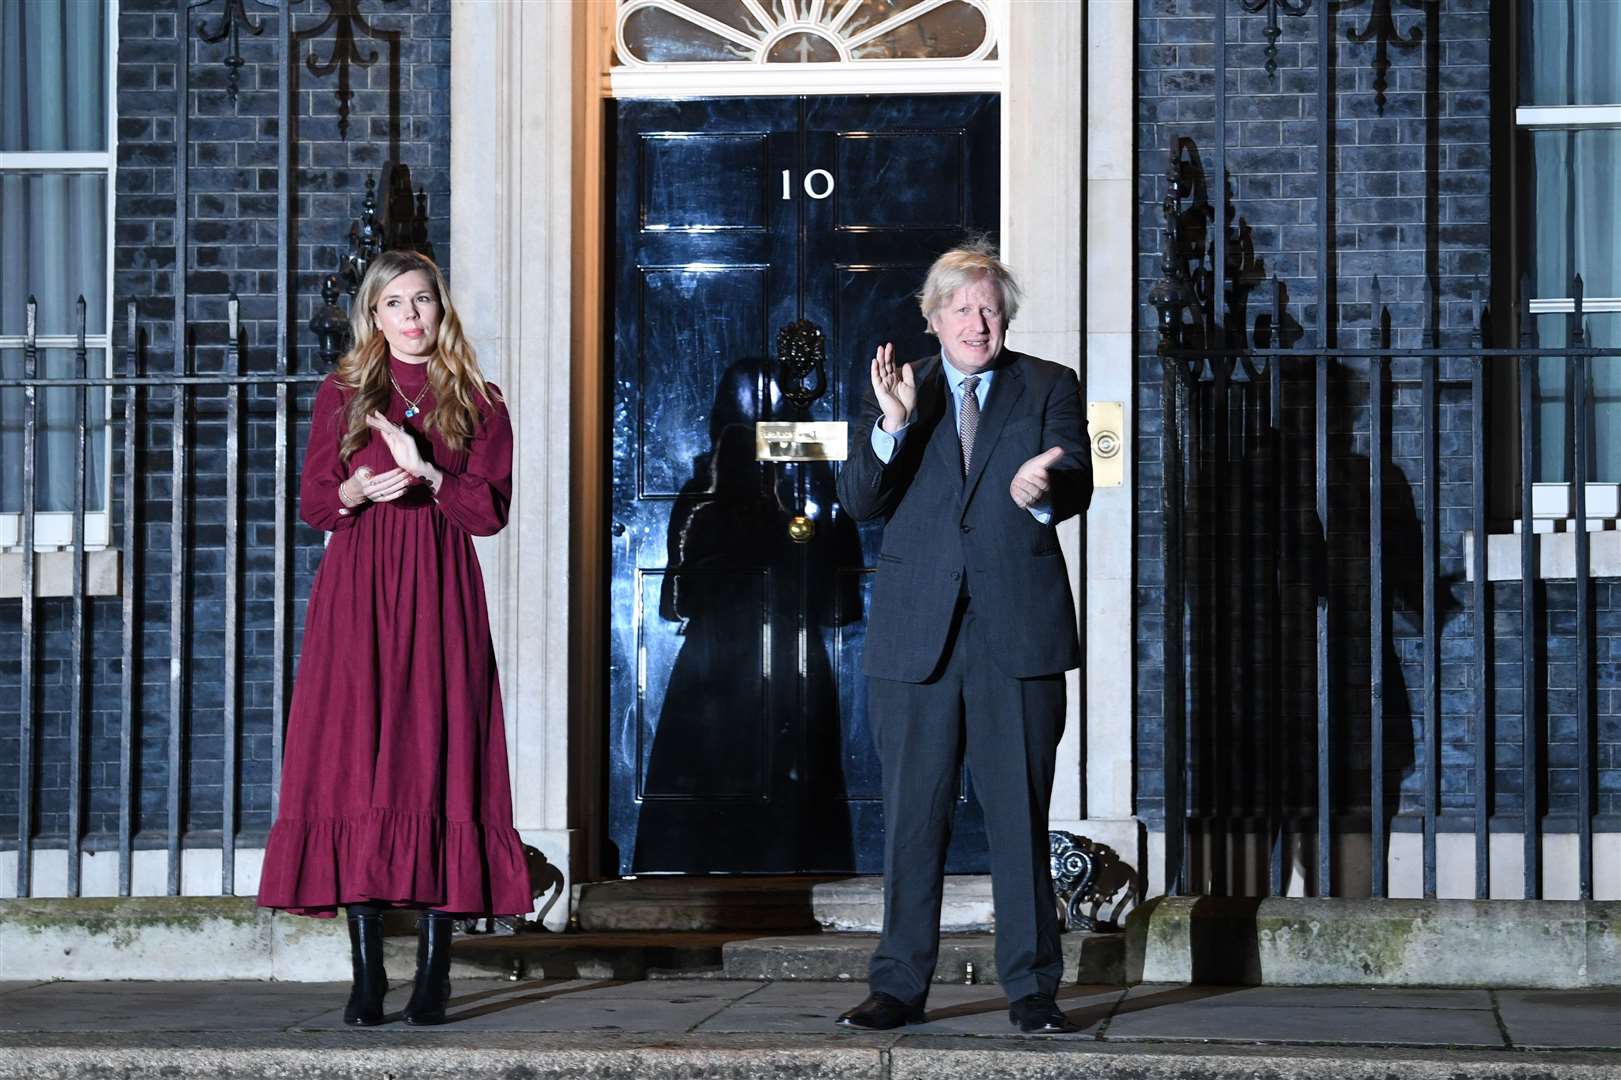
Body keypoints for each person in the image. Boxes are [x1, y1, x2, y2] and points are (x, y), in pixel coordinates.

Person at [256, 250, 531, 1026]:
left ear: (441, 311)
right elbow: (315, 502)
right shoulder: (341, 394)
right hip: (359, 588)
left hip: (439, 589)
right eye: (396, 304)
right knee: (354, 763)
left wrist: (432, 474)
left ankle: (435, 975)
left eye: (423, 302)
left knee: (437, 757)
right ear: (372, 316)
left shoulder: (478, 399)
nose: (412, 318)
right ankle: (367, 975)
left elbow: (488, 513)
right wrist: (352, 489)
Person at [833, 241, 1091, 1034]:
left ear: (1003, 315)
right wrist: (891, 424)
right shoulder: (899, 387)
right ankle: (898, 986)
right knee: (914, 818)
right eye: (960, 308)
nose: (975, 322)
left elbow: (1075, 470)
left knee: (1018, 815)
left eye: (988, 308)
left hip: (1016, 631)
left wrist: (1044, 486)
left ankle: (1033, 991)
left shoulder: (1046, 384)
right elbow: (861, 501)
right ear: (932, 316)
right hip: (918, 639)